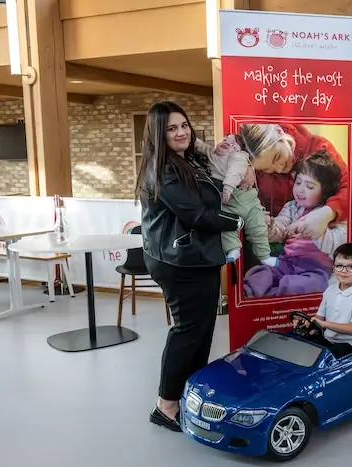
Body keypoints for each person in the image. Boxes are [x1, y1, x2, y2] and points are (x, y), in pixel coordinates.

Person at [135, 101, 243, 431]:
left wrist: (246, 168)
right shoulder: (163, 169)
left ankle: (186, 394)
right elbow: (196, 215)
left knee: (201, 330)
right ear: (158, 134)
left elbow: (228, 155)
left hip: (197, 258)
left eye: (184, 125)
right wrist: (238, 220)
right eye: (171, 128)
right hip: (180, 261)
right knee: (187, 331)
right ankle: (165, 406)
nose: (181, 132)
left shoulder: (186, 159)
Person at [239, 123, 349, 239]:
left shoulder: (320, 148)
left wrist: (327, 213)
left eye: (277, 157)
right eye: (267, 169)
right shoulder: (251, 168)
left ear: (280, 132)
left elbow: (349, 189)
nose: (279, 169)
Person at [193, 132, 278, 267]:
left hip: (247, 201)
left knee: (258, 228)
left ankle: (264, 256)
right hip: (229, 203)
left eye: (233, 143)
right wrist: (189, 135)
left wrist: (228, 186)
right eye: (225, 139)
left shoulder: (239, 157)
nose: (227, 142)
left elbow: (236, 171)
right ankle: (233, 249)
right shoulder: (211, 154)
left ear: (238, 149)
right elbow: (199, 145)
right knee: (227, 227)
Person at [293, 243, 352, 358]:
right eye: (339, 266)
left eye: (350, 267)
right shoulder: (329, 290)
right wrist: (307, 323)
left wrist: (324, 324)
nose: (343, 271)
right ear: (334, 268)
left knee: (319, 359)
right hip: (329, 339)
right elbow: (319, 318)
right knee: (301, 350)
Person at [266, 149, 347, 258]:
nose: (300, 189)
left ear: (325, 191)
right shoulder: (291, 207)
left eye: (309, 186)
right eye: (298, 182)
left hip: (315, 266)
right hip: (289, 261)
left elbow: (338, 241)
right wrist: (269, 228)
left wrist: (305, 229)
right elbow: (281, 227)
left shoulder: (330, 214)